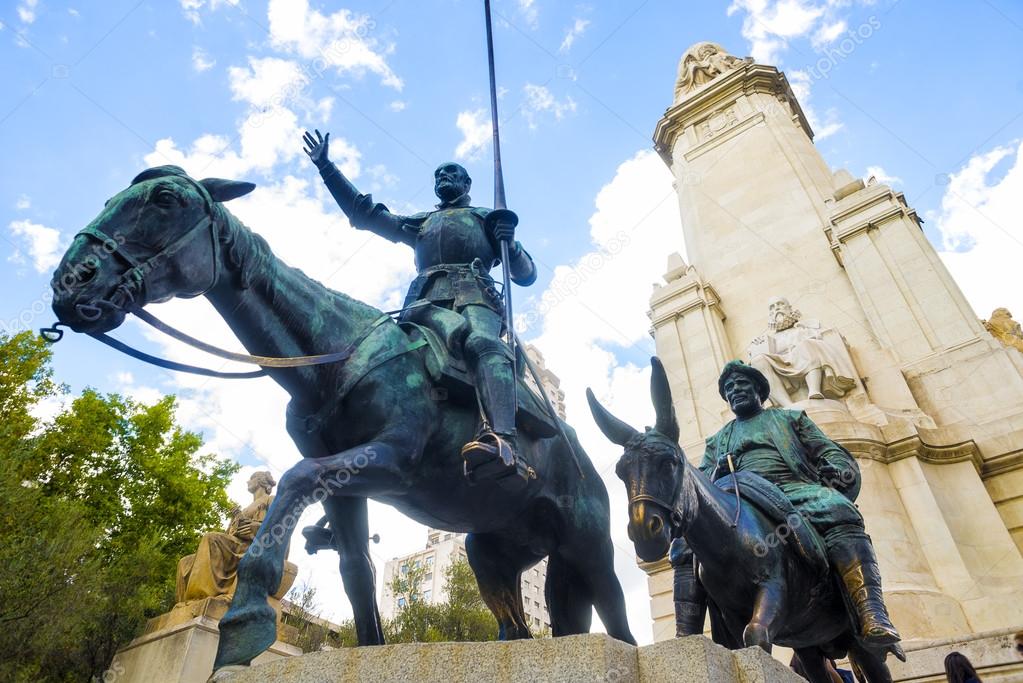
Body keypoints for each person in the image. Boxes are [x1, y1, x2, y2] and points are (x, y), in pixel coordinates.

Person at [301, 130, 538, 483]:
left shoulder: (485, 217)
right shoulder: (422, 222)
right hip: (422, 304)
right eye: (438, 174)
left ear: (467, 182)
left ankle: (504, 441)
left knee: (483, 344)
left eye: (451, 173)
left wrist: (511, 242)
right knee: (377, 355)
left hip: (474, 299)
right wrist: (326, 167)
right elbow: (366, 214)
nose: (443, 178)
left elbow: (526, 274)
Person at [671, 360, 900, 647]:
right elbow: (700, 483)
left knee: (839, 510)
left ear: (759, 390)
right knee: (683, 541)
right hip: (739, 498)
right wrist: (716, 473)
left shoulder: (791, 419)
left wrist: (838, 471)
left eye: (742, 384)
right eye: (729, 388)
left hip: (793, 491)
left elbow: (830, 451)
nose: (734, 390)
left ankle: (871, 612)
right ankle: (686, 635)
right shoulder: (718, 440)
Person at [176, 471, 276, 603]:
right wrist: (236, 520)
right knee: (185, 562)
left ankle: (202, 597)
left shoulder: (271, 499)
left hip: (249, 547)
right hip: (233, 545)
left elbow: (278, 528)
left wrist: (255, 529)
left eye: (251, 478)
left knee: (211, 538)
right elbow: (228, 533)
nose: (248, 481)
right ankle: (183, 604)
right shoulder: (245, 508)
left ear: (261, 481)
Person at [747, 296, 857, 407]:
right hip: (781, 364)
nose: (776, 309)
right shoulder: (769, 339)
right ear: (770, 315)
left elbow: (829, 336)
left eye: (780, 304)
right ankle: (788, 405)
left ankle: (814, 390)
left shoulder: (806, 327)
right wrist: (755, 347)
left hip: (805, 357)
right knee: (758, 360)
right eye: (772, 307)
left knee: (806, 345)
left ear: (789, 308)